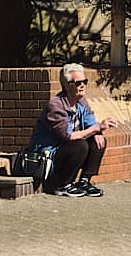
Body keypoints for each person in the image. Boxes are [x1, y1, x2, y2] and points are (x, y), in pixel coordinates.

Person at [33, 62, 110, 196]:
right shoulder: (56, 106)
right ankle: (62, 184)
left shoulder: (81, 102)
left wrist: (97, 131)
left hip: (66, 149)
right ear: (67, 85)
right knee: (80, 145)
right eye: (78, 82)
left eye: (84, 82)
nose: (82, 85)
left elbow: (90, 123)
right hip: (49, 154)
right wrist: (97, 127)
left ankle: (84, 181)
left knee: (98, 141)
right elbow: (67, 136)